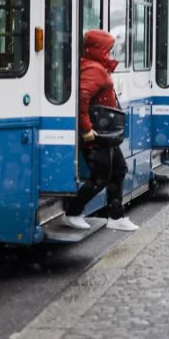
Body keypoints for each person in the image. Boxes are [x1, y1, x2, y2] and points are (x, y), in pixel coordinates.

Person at [63, 29, 139, 232]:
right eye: (108, 49)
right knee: (101, 176)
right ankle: (73, 211)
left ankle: (116, 215)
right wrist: (86, 129)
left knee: (119, 169)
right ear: (99, 49)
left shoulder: (94, 66)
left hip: (104, 133)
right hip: (96, 134)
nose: (111, 54)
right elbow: (82, 99)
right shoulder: (94, 69)